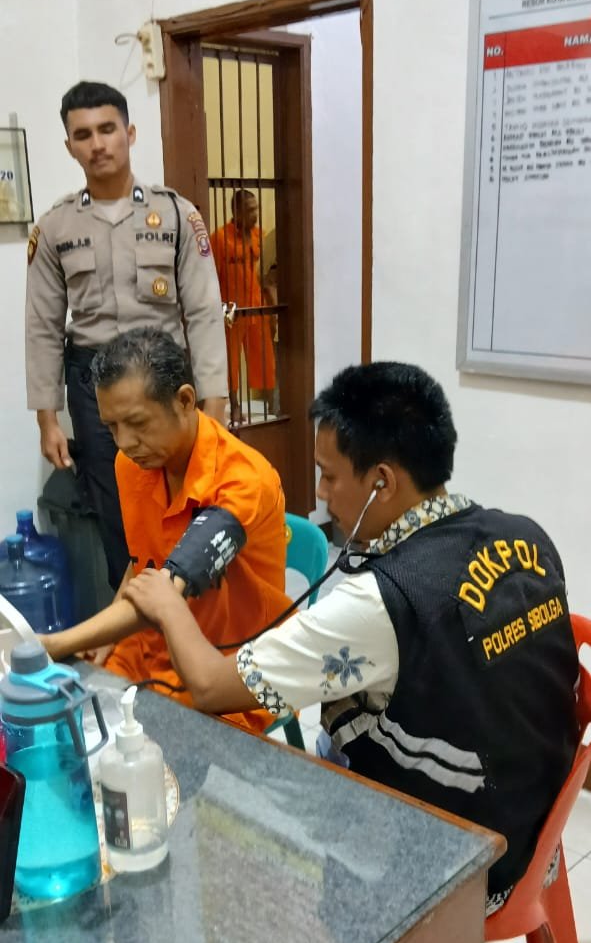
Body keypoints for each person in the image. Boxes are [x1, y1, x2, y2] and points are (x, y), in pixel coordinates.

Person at [122, 361, 580, 908]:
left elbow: (209, 687)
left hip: (470, 861)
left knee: (246, 819)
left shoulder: (379, 602)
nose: (321, 494)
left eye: (329, 476)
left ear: (381, 481)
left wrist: (167, 603)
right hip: (536, 819)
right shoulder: (524, 533)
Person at [26, 80, 228, 591]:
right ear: (69, 146)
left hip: (165, 377)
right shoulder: (55, 227)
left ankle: (188, 601)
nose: (98, 144)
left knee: (185, 494)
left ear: (130, 133)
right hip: (94, 386)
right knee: (115, 504)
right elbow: (43, 325)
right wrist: (47, 418)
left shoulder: (177, 214)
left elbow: (204, 312)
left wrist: (215, 402)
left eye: (107, 129)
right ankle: (136, 606)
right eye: (83, 134)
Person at [42, 328, 291, 737]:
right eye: (112, 427)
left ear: (186, 401)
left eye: (137, 423)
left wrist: (54, 643)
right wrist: (106, 633)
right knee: (70, 723)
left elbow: (166, 590)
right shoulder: (132, 465)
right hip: (150, 645)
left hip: (226, 665)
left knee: (150, 755)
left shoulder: (243, 482)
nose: (124, 442)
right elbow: (143, 565)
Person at [210, 189, 276, 423]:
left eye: (256, 209)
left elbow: (267, 275)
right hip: (231, 311)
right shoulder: (220, 239)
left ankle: (273, 406)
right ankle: (235, 406)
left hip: (257, 307)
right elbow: (211, 278)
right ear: (236, 211)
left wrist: (272, 309)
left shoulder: (261, 237)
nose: (254, 214)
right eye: (249, 210)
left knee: (265, 359)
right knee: (231, 363)